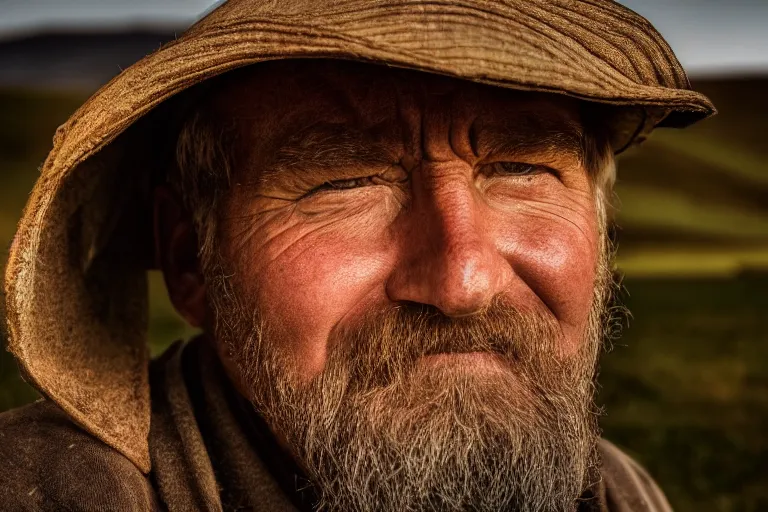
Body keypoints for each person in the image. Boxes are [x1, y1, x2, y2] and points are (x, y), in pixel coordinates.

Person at [0, 0, 715, 510]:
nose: (462, 281)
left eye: (521, 169)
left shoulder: (614, 491)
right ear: (192, 262)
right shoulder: (42, 492)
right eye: (345, 183)